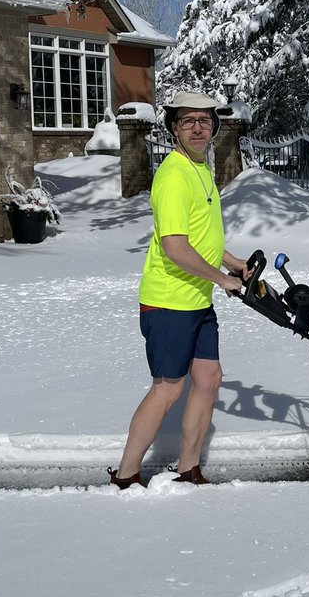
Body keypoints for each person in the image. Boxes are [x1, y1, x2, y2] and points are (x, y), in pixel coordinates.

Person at [108, 90, 252, 488]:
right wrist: (222, 279)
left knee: (208, 379)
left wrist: (232, 262)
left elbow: (199, 236)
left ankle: (189, 468)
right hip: (168, 301)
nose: (197, 127)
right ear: (174, 128)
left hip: (197, 298)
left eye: (204, 121)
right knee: (167, 390)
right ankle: (126, 473)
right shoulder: (172, 175)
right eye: (188, 121)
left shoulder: (202, 169)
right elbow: (175, 248)